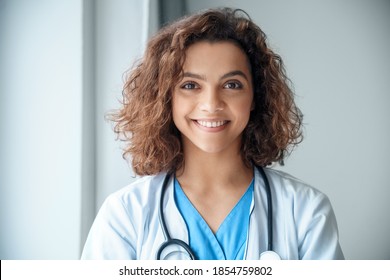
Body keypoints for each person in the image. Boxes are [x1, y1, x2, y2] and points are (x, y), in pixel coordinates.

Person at [81, 7, 344, 260]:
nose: (211, 104)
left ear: (255, 96)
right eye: (190, 85)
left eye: (232, 84)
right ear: (166, 97)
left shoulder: (306, 210)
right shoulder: (125, 214)